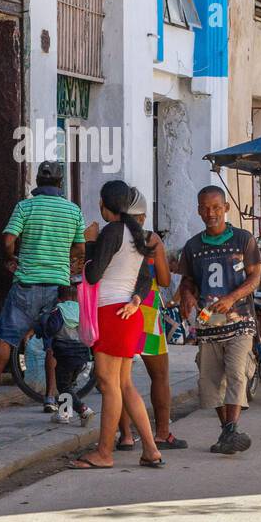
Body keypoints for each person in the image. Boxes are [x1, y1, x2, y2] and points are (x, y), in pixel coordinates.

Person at [68, 181, 163, 470]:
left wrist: (90, 242)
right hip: (128, 312)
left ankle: (104, 453)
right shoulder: (137, 234)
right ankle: (150, 449)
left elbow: (94, 274)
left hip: (111, 312)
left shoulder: (111, 231)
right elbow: (145, 278)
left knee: (109, 385)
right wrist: (135, 300)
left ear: (104, 205)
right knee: (124, 384)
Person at [0, 161, 84, 403]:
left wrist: (11, 258)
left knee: (6, 336)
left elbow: (7, 239)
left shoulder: (25, 207)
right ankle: (51, 396)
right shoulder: (72, 211)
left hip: (26, 284)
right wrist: (66, 258)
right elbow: (80, 247)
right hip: (57, 286)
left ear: (38, 181)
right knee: (52, 341)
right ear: (60, 182)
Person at [178, 186, 261, 453]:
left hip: (240, 317)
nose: (210, 213)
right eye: (204, 208)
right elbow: (188, 280)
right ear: (198, 210)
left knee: (236, 372)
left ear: (226, 208)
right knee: (211, 379)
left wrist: (232, 298)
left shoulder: (243, 239)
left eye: (216, 207)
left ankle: (231, 429)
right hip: (209, 318)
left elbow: (254, 278)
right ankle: (228, 433)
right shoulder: (192, 246)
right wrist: (187, 296)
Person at [116, 204, 188, 452]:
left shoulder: (112, 235)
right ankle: (162, 433)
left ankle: (125, 436)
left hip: (118, 309)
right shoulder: (150, 239)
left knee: (120, 378)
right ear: (143, 216)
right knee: (159, 375)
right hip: (146, 310)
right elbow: (166, 280)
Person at [40, 285, 95, 427]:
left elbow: (51, 329)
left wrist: (43, 326)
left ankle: (83, 409)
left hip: (65, 355)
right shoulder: (82, 311)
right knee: (68, 385)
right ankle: (64, 414)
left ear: (59, 298)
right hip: (82, 356)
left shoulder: (59, 310)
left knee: (63, 385)